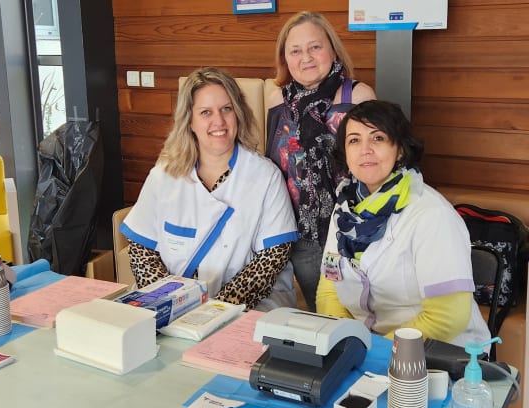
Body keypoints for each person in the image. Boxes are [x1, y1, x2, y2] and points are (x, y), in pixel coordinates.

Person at [120, 67, 299, 310]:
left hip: (246, 309)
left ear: (238, 113)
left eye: (227, 109)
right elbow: (141, 249)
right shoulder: (164, 175)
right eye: (206, 112)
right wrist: (169, 304)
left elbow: (273, 257)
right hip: (174, 308)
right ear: (189, 121)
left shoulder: (266, 176)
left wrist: (215, 312)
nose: (219, 121)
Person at [316, 100, 490, 347]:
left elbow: (448, 317)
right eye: (354, 140)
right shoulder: (346, 208)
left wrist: (373, 350)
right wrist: (344, 343)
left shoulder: (431, 214)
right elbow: (330, 287)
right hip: (368, 346)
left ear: (399, 150)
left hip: (437, 352)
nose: (365, 149)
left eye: (378, 138)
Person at [266, 11, 377, 311]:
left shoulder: (357, 96)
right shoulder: (277, 101)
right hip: (302, 237)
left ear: (332, 49)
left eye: (315, 47)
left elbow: (379, 164)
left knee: (362, 314)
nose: (306, 58)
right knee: (322, 316)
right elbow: (275, 166)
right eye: (295, 50)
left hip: (354, 233)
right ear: (285, 58)